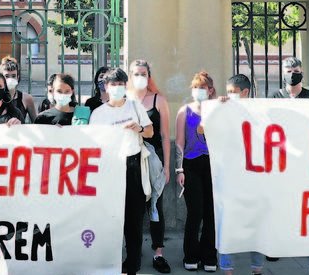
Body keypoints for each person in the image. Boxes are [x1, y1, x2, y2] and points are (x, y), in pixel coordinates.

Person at [89, 68, 152, 275]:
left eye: (120, 85)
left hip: (132, 166)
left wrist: (139, 129)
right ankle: (111, 263)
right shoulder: (98, 113)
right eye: (113, 85)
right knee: (111, 218)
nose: (117, 88)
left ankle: (132, 264)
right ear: (105, 87)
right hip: (109, 168)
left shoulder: (135, 107)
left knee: (134, 220)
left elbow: (150, 131)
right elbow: (92, 144)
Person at [217, 74, 265, 275]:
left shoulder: (260, 111)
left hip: (253, 178)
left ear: (245, 92)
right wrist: (218, 109)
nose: (229, 96)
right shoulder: (223, 110)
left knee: (256, 225)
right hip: (229, 177)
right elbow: (203, 130)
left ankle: (257, 269)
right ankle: (227, 269)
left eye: (233, 92)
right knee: (226, 224)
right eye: (227, 92)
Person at [128, 59, 172, 272]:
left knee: (155, 207)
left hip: (154, 161)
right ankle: (132, 252)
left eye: (143, 73)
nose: (139, 77)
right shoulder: (124, 100)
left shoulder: (158, 100)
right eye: (135, 73)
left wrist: (167, 166)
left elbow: (164, 134)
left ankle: (158, 253)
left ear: (149, 75)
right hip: (131, 162)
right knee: (132, 210)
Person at [176, 71, 217, 272]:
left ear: (210, 90)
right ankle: (190, 255)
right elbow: (180, 143)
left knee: (211, 213)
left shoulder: (217, 110)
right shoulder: (185, 111)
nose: (198, 91)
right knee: (195, 212)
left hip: (213, 165)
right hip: (191, 165)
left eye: (202, 87)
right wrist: (179, 169)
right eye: (195, 87)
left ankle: (209, 255)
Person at [0, 57, 37, 122]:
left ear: (17, 77)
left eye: (13, 76)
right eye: (7, 76)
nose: (10, 79)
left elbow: (36, 123)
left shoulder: (26, 99)